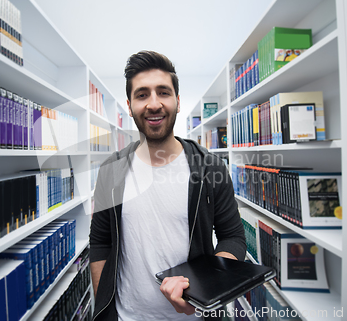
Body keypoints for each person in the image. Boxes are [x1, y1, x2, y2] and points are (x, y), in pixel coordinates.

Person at [89, 50, 246, 321]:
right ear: (129, 105)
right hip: (127, 316)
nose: (153, 104)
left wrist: (206, 287)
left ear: (177, 101)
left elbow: (233, 237)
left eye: (163, 92)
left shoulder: (211, 168)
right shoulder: (110, 172)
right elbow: (101, 243)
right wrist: (106, 309)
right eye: (142, 94)